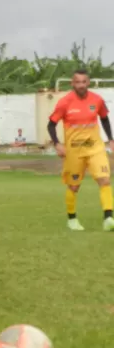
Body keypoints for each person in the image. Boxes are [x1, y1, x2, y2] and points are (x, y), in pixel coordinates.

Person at [47, 69, 114, 232]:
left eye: (84, 82)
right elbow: (51, 124)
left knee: (104, 180)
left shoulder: (97, 100)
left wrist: (111, 140)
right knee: (74, 187)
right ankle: (72, 219)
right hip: (74, 152)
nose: (81, 85)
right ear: (72, 83)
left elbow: (104, 119)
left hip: (95, 148)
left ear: (88, 83)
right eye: (78, 82)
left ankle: (108, 218)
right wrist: (57, 144)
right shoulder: (64, 102)